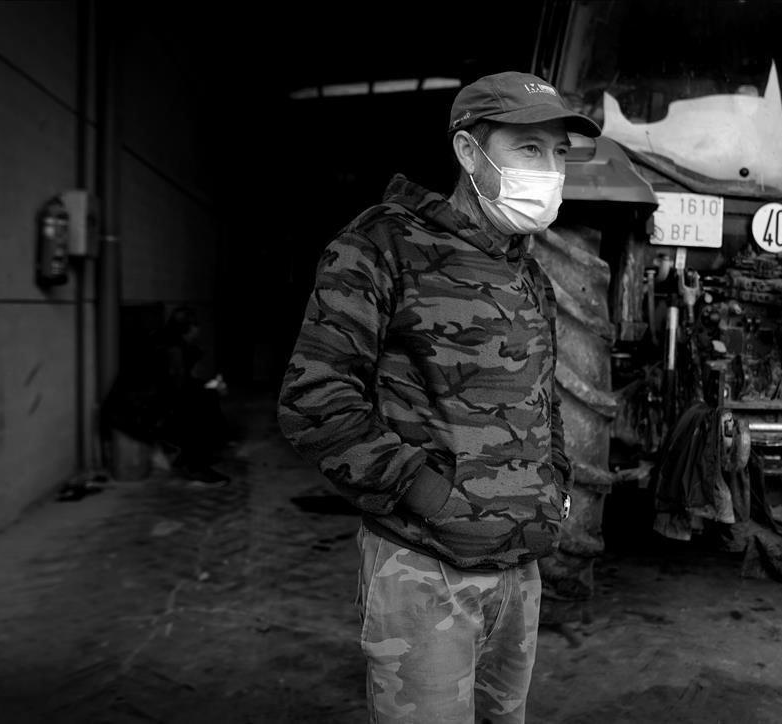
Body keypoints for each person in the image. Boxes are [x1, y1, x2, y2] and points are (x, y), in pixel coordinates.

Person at [278, 71, 599, 722]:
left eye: (559, 154)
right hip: (427, 572)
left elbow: (546, 397)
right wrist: (426, 494)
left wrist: (554, 486)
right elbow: (316, 400)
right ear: (468, 153)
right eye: (529, 150)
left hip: (520, 573)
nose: (552, 171)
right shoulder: (382, 245)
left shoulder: (529, 270)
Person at [103, 305, 232, 487]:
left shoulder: (164, 340)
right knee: (194, 410)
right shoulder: (173, 349)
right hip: (134, 412)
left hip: (131, 406)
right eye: (197, 327)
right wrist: (210, 387)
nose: (199, 331)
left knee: (202, 400)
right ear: (191, 328)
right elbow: (178, 389)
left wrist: (207, 386)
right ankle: (196, 466)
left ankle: (198, 456)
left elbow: (175, 383)